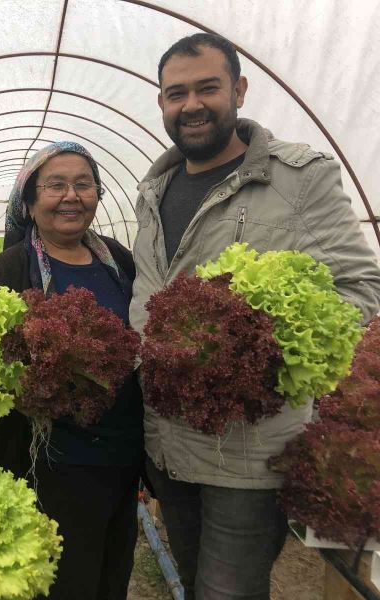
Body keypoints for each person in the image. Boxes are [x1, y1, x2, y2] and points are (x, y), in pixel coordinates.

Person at [130, 33, 380, 600]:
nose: (191, 104)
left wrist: (258, 345)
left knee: (228, 590)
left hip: (247, 452)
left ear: (239, 90)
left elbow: (361, 288)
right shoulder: (154, 188)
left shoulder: (297, 177)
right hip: (165, 440)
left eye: (207, 88)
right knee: (194, 580)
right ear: (162, 104)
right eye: (176, 94)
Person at [0, 141, 144, 600]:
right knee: (62, 583)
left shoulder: (119, 263)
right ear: (27, 203)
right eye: (55, 186)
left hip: (120, 459)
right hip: (44, 467)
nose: (72, 196)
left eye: (83, 184)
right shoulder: (4, 274)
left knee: (111, 576)